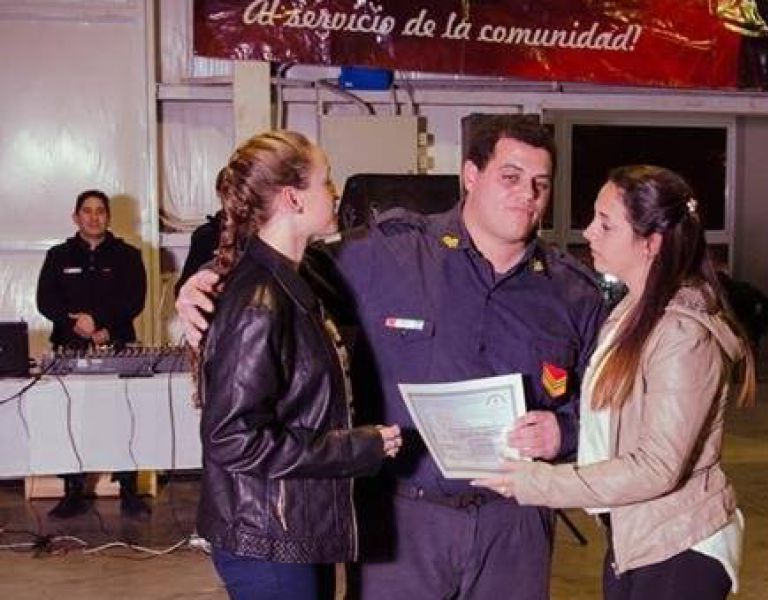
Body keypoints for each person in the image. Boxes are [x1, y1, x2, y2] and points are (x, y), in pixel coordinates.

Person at [177, 116, 606, 599]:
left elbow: (606, 411)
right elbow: (277, 261)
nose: (527, 194)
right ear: (470, 175)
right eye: (510, 177)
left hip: (515, 527)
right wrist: (202, 280)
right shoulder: (389, 253)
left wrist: (563, 432)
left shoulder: (574, 293)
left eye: (539, 183)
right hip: (405, 526)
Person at [474, 165, 755, 600]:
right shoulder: (632, 313)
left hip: (679, 547)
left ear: (651, 243)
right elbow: (619, 425)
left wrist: (540, 484)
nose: (588, 232)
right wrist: (559, 434)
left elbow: (657, 466)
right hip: (637, 536)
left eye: (606, 224)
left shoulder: (682, 335)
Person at [195, 130, 402, 600]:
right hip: (267, 539)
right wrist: (354, 449)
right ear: (292, 197)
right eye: (326, 182)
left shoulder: (296, 278)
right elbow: (232, 437)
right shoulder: (261, 299)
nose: (334, 191)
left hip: (290, 529)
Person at [36, 189, 150, 520]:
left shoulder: (128, 255)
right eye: (87, 211)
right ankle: (73, 491)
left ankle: (129, 490)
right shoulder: (58, 256)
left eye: (100, 211)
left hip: (116, 346)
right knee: (71, 420)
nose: (94, 216)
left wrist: (102, 325)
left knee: (123, 418)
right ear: (76, 217)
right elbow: (47, 301)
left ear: (108, 217)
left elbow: (134, 300)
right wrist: (79, 326)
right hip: (70, 348)